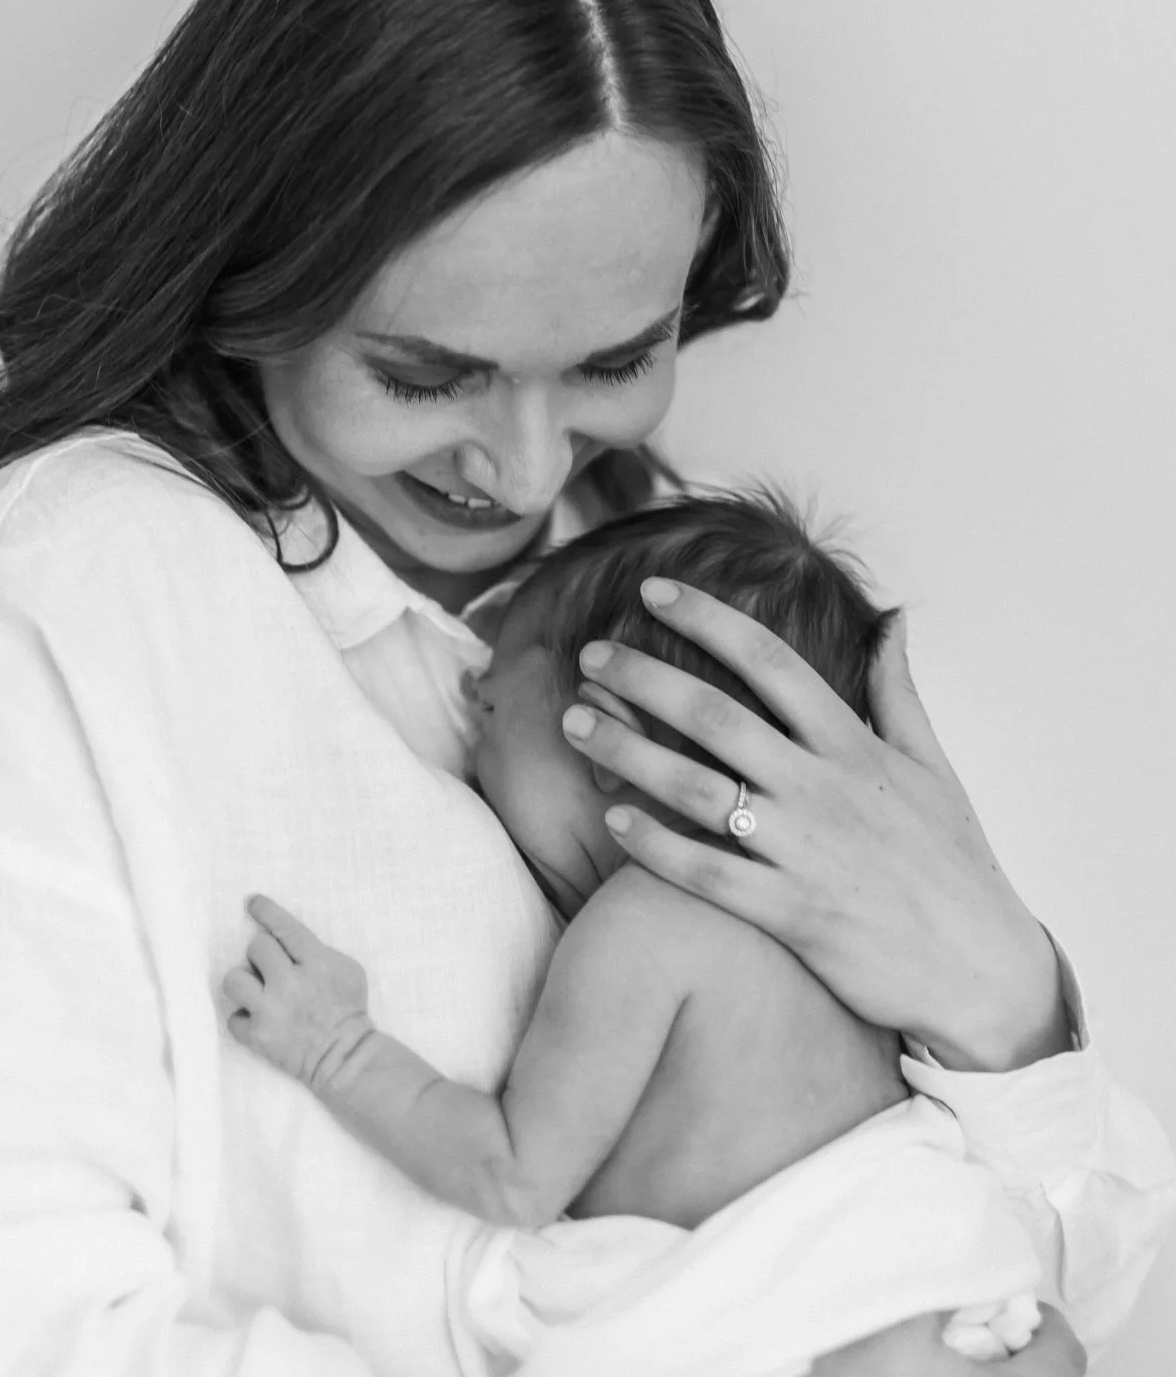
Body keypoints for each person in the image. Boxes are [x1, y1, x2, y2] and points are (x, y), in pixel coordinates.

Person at [0, 0, 1176, 1376]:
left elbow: (1046, 1282)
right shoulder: (83, 584)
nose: (530, 469)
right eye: (425, 372)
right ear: (243, 272)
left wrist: (999, 1001)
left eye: (614, 361)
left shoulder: (672, 602)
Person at [223, 489, 1052, 1372]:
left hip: (826, 1329)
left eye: (491, 703)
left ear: (605, 737)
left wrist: (336, 1049)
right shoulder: (836, 929)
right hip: (965, 1298)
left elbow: (514, 1175)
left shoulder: (645, 927)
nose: (469, 691)